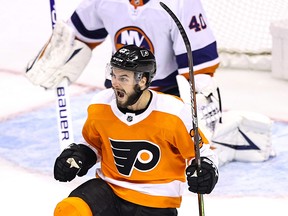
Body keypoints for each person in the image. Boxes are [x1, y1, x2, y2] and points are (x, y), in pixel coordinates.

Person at [53, 45, 219, 216]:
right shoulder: (100, 105)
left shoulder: (173, 112)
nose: (115, 83)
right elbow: (93, 145)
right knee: (70, 210)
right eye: (113, 75)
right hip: (108, 190)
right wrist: (79, 156)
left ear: (143, 81)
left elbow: (202, 153)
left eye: (123, 78)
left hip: (155, 200)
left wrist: (205, 169)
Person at [25, 0, 221, 131]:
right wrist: (61, 54)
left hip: (165, 100)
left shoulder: (180, 2)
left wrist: (197, 123)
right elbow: (77, 36)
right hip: (118, 96)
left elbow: (200, 68)